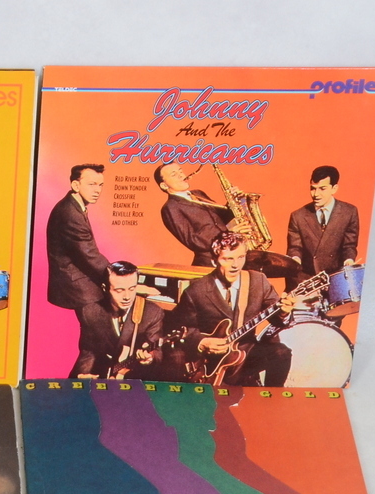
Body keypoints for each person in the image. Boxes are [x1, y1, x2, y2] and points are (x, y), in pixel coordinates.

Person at [171, 231, 298, 387]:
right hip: (211, 361)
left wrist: (284, 312)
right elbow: (179, 328)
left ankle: (272, 398)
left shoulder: (258, 281)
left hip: (246, 353)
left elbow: (278, 319)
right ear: (214, 261)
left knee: (281, 353)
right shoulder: (196, 291)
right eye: (228, 259)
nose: (235, 265)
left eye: (241, 257)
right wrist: (202, 342)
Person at [45, 164, 112, 355]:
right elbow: (89, 255)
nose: (97, 190)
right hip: (77, 285)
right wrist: (122, 277)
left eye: (100, 185)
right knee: (98, 341)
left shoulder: (74, 206)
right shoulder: (70, 213)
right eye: (92, 184)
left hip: (80, 279)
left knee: (94, 342)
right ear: (75, 185)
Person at [70, 261, 167, 380]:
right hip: (102, 375)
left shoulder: (152, 312)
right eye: (119, 290)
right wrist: (81, 376)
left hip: (135, 377)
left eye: (132, 289)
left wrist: (149, 358)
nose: (127, 297)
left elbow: (157, 352)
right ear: (105, 288)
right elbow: (89, 351)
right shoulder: (90, 312)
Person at [286, 165, 360, 281]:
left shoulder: (349, 212)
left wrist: (349, 260)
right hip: (306, 279)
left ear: (334, 188)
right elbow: (295, 248)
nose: (316, 194)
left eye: (322, 189)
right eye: (313, 188)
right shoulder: (297, 216)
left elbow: (349, 246)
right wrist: (295, 260)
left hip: (335, 278)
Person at [156, 163, 230, 267]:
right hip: (210, 263)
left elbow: (222, 218)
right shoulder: (170, 207)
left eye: (181, 171)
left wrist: (233, 203)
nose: (182, 175)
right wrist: (228, 233)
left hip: (229, 254)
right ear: (164, 185)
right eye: (174, 174)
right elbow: (193, 241)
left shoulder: (198, 193)